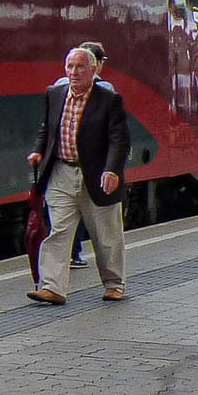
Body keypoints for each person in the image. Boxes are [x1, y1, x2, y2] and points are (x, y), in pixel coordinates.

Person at [27, 44, 129, 305]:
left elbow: (119, 140)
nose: (74, 72)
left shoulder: (108, 100)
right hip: (61, 171)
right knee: (59, 230)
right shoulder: (55, 94)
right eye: (70, 67)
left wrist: (112, 170)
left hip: (96, 174)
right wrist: (38, 151)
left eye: (80, 67)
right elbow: (46, 129)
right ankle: (52, 287)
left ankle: (114, 284)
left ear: (93, 70)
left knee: (106, 234)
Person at [61, 42, 113, 268]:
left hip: (65, 163)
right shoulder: (106, 90)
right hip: (92, 163)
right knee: (93, 213)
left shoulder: (58, 87)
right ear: (98, 64)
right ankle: (111, 276)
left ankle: (69, 256)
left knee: (65, 215)